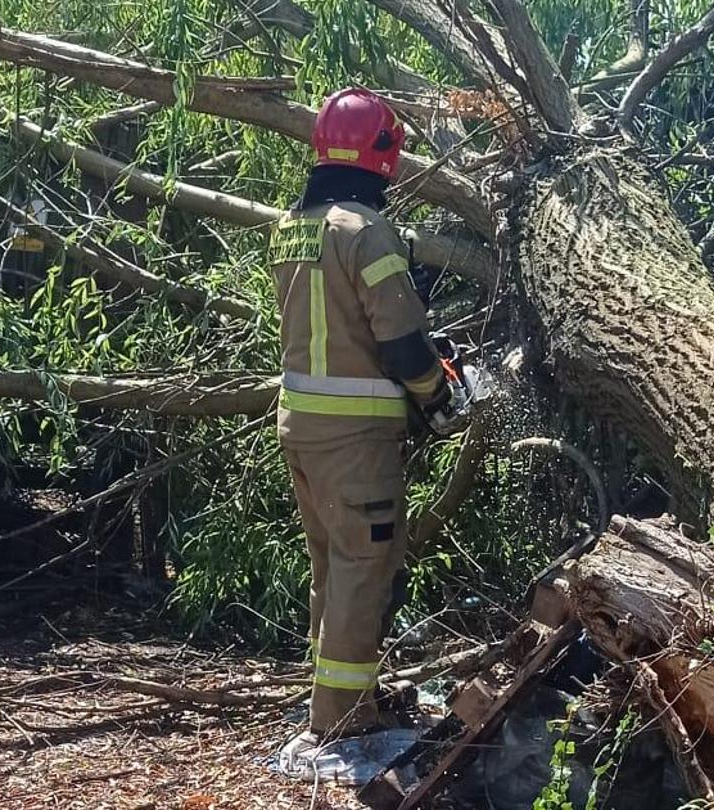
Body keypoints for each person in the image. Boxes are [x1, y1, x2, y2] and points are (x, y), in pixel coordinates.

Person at [270, 87, 459, 782]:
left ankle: (336, 696)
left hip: (302, 427)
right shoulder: (366, 230)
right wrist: (439, 396)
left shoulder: (290, 226)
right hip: (355, 439)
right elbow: (403, 343)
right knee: (363, 569)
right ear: (384, 154)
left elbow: (340, 318)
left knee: (332, 565)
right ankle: (343, 720)